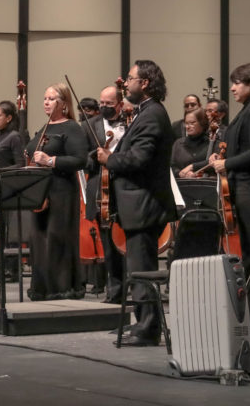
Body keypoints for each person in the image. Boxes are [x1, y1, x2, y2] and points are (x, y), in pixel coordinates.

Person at [97, 60, 176, 347]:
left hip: (144, 203)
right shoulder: (145, 112)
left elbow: (140, 158)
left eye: (130, 79)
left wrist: (110, 159)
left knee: (142, 270)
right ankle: (143, 322)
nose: (125, 83)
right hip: (139, 203)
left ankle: (147, 328)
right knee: (138, 269)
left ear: (144, 83)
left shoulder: (152, 114)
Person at [211, 62, 250, 337]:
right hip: (242, 186)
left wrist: (227, 163)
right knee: (249, 253)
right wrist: (221, 158)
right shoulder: (248, 109)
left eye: (238, 83)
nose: (233, 88)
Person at [26, 83, 89, 301]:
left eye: (51, 99)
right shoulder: (45, 127)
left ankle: (61, 288)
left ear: (63, 103)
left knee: (56, 239)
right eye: (45, 98)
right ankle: (42, 288)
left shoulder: (72, 128)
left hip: (61, 191)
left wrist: (51, 160)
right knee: (38, 239)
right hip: (40, 192)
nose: (46, 102)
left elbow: (81, 159)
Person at [83, 86, 126, 303]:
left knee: (127, 243)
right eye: (102, 103)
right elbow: (82, 158)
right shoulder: (89, 125)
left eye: (109, 104)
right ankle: (115, 291)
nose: (104, 107)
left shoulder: (131, 123)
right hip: (102, 190)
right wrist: (97, 156)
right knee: (108, 244)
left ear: (120, 104)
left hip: (126, 188)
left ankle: (132, 288)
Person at [0, 100, 26, 284]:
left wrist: (0, 171)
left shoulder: (14, 137)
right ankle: (5, 268)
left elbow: (20, 164)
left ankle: (12, 270)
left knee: (10, 231)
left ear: (9, 118)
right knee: (1, 230)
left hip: (10, 188)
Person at [171, 108, 212, 178]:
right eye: (186, 123)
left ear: (202, 123)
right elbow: (171, 165)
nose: (187, 127)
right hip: (181, 182)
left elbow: (215, 163)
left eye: (192, 123)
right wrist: (180, 173)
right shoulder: (178, 143)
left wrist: (193, 167)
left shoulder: (212, 143)